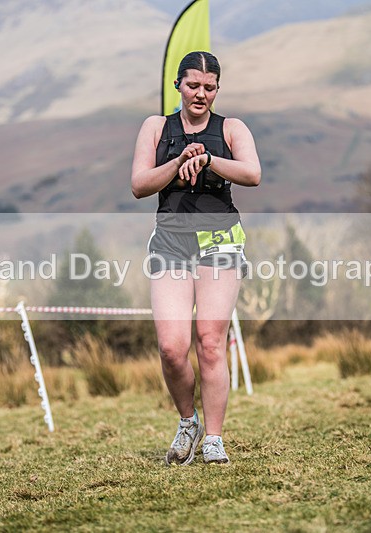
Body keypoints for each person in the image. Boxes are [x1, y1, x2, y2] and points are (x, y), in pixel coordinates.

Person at [131, 51, 261, 465]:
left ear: (217, 89)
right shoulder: (156, 128)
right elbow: (138, 185)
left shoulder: (232, 128)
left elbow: (253, 174)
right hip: (170, 243)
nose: (200, 94)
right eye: (193, 86)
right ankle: (189, 421)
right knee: (172, 348)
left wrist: (208, 160)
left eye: (209, 87)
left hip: (220, 240)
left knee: (209, 341)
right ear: (178, 85)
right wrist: (178, 162)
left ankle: (215, 439)